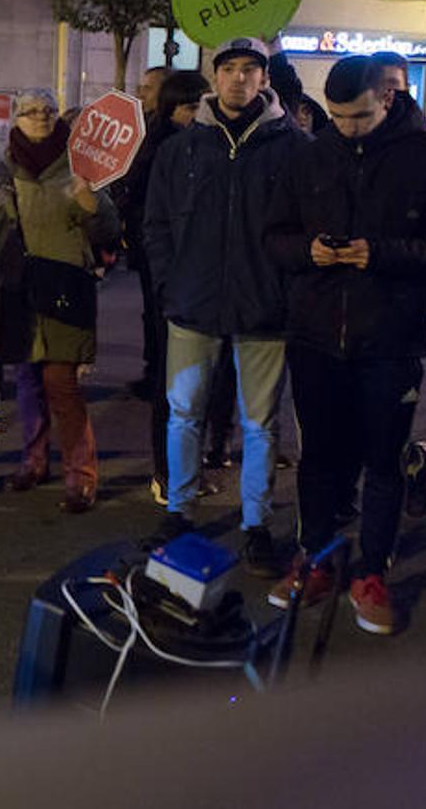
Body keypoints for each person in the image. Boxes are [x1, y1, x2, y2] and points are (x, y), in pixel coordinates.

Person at [264, 55, 426, 634]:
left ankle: (373, 572)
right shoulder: (309, 155)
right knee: (320, 460)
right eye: (334, 117)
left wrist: (378, 253)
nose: (346, 128)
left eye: (356, 116)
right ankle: (316, 557)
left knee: (383, 460)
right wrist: (309, 252)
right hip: (314, 334)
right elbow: (275, 237)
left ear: (386, 98)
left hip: (391, 337)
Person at [144, 38, 309, 575]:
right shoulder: (180, 149)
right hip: (192, 304)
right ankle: (179, 510)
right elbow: (157, 226)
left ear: (265, 79)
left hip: (265, 308)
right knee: (183, 416)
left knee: (260, 424)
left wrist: (287, 289)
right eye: (229, 69)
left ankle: (255, 524)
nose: (239, 79)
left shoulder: (295, 149)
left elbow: (307, 227)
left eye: (250, 70)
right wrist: (171, 284)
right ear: (214, 77)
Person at [0, 89, 119, 515]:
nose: (40, 117)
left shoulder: (80, 166)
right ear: (16, 119)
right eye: (30, 111)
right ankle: (33, 460)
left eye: (48, 110)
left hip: (64, 289)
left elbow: (110, 228)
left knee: (62, 385)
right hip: (19, 290)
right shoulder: (3, 169)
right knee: (26, 383)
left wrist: (88, 202)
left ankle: (81, 476)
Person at [117, 70, 209, 504]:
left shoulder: (208, 147)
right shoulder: (160, 154)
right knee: (171, 383)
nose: (198, 114)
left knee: (200, 383)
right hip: (170, 283)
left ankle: (188, 465)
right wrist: (164, 274)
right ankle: (166, 470)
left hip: (203, 281)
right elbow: (146, 221)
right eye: (191, 106)